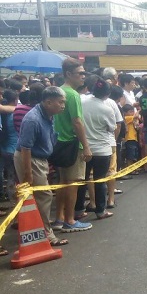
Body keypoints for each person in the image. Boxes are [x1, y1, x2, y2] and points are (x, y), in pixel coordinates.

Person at [15, 86, 69, 247]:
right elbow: (26, 148)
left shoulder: (48, 115)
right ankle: (47, 234)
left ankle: (34, 228)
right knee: (44, 195)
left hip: (39, 159)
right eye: (60, 102)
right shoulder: (33, 119)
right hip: (31, 159)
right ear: (48, 102)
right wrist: (28, 173)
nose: (63, 106)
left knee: (37, 195)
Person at [53, 58, 93, 233]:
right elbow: (77, 122)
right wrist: (86, 146)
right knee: (73, 182)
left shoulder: (59, 91)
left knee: (63, 181)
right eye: (80, 73)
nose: (83, 77)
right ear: (68, 74)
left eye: (84, 73)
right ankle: (69, 220)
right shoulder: (73, 94)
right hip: (71, 143)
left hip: (58, 142)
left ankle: (59, 218)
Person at [76, 76, 116, 220]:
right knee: (100, 180)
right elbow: (111, 128)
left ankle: (79, 209)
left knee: (82, 180)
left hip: (83, 147)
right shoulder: (107, 109)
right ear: (107, 94)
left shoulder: (81, 101)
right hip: (102, 149)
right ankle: (100, 210)